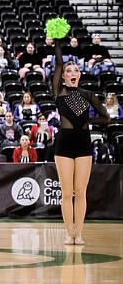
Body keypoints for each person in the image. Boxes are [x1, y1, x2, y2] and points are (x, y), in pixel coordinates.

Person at [52, 37, 109, 245]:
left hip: (84, 145)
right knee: (67, 192)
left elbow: (106, 117)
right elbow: (58, 63)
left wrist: (88, 121)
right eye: (69, 71)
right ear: (64, 76)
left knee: (81, 192)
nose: (72, 74)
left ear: (80, 74)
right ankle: (69, 233)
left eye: (76, 71)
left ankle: (79, 232)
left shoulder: (88, 94)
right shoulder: (58, 93)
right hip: (64, 144)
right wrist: (58, 42)